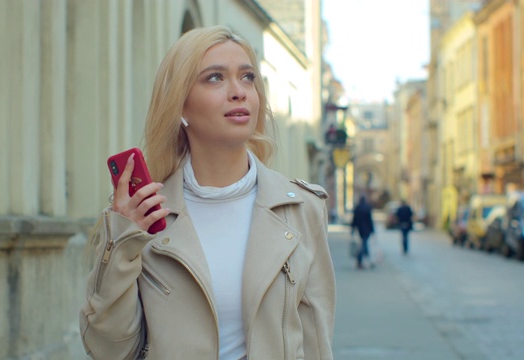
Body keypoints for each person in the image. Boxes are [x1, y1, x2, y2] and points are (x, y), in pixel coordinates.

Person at [79, 25, 336, 360]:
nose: (239, 91)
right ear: (181, 106)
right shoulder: (145, 214)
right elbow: (108, 348)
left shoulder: (303, 209)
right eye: (215, 78)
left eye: (247, 77)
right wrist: (123, 237)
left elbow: (317, 343)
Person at [350, 195, 375, 270]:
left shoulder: (357, 208)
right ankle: (362, 260)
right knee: (364, 244)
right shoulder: (367, 208)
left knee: (364, 244)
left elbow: (354, 219)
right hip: (367, 229)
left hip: (360, 229)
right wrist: (372, 230)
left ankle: (365, 261)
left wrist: (353, 229)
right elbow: (370, 220)